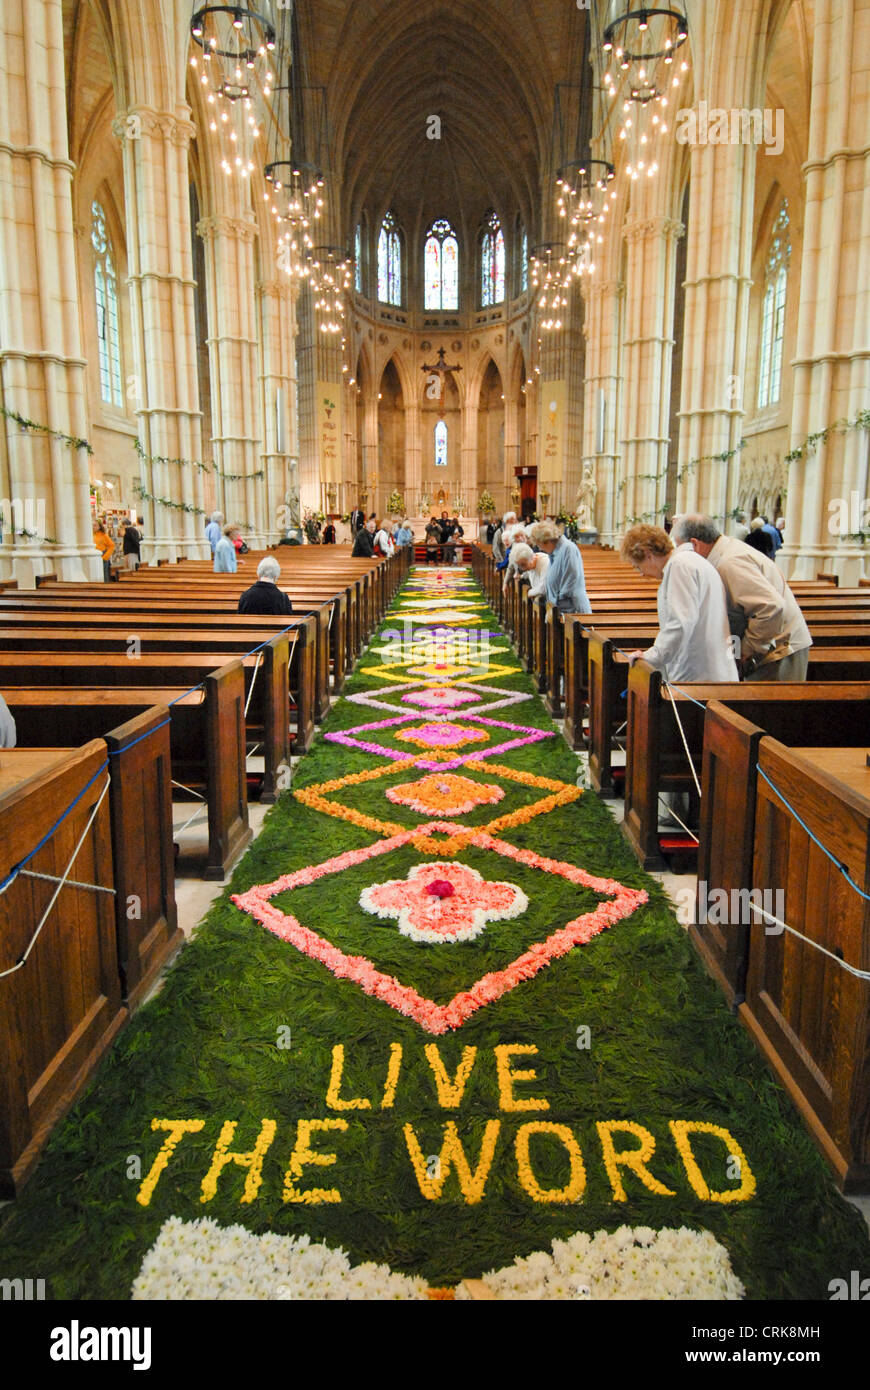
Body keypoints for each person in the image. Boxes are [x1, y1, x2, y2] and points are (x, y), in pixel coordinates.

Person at [672, 515, 812, 681]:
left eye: (680, 547)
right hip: (769, 645)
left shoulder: (729, 562)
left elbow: (770, 608)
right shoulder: (723, 553)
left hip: (779, 651)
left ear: (695, 544)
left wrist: (746, 651)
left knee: (770, 706)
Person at [619, 524, 738, 683]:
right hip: (710, 667)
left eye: (638, 566)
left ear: (648, 554)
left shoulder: (679, 566)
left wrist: (651, 656)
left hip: (699, 674)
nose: (641, 573)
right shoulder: (691, 561)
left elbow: (680, 623)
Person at [529, 519, 592, 616]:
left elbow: (570, 580)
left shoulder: (568, 549)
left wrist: (558, 606)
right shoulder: (555, 552)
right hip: (559, 610)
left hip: (572, 611)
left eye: (539, 544)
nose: (540, 548)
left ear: (547, 541)